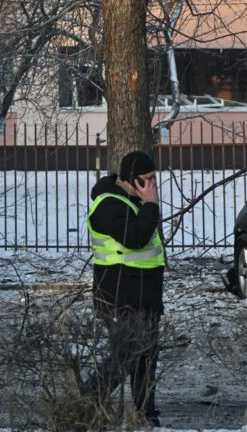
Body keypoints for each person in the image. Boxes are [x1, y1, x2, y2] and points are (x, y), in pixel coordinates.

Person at [85, 150, 165, 427]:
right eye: (147, 180)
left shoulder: (133, 201)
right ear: (132, 180)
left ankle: (145, 414)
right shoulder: (110, 204)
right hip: (120, 296)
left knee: (146, 359)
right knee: (126, 357)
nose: (152, 186)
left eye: (154, 179)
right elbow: (135, 239)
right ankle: (88, 399)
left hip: (145, 297)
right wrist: (151, 205)